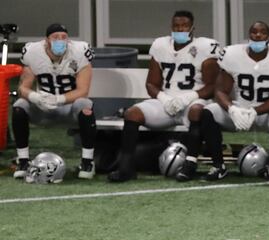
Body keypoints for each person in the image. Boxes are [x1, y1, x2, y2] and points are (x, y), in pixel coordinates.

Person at [108, 10, 220, 182]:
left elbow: (212, 86)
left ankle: (189, 165)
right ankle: (126, 167)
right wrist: (164, 98)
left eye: (184, 26)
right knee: (132, 113)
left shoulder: (205, 47)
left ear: (192, 29)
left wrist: (187, 98)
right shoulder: (161, 46)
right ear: (171, 27)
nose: (180, 29)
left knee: (197, 111)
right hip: (166, 103)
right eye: (176, 26)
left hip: (193, 100)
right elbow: (151, 84)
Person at [200, 21, 269, 181]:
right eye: (254, 32)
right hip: (239, 110)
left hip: (267, 112)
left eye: (262, 32)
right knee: (208, 112)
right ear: (248, 35)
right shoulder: (232, 54)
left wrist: (256, 111)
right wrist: (232, 109)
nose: (258, 35)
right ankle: (218, 166)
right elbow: (220, 90)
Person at [12, 23, 96, 180]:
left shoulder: (80, 52)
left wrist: (59, 99)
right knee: (19, 106)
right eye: (55, 37)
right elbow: (23, 88)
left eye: (64, 37)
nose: (60, 40)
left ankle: (87, 162)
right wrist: (35, 97)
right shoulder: (33, 53)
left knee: (85, 105)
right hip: (42, 107)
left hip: (69, 107)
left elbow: (83, 90)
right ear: (46, 40)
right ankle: (23, 161)